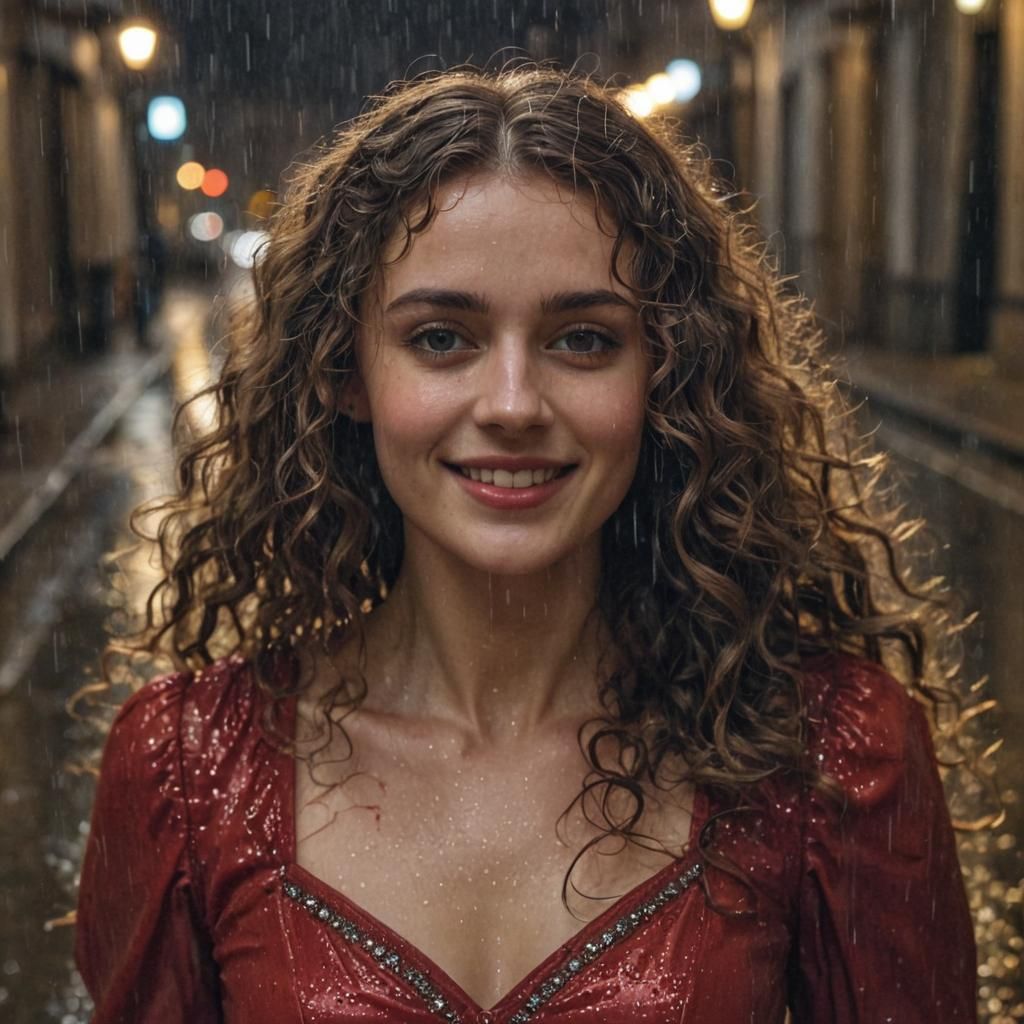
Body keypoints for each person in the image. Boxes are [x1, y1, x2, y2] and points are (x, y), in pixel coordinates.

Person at [74, 67, 978, 1023]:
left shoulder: (831, 754)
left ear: (667, 372)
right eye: (441, 339)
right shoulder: (187, 768)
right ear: (346, 372)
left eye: (582, 340)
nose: (512, 404)